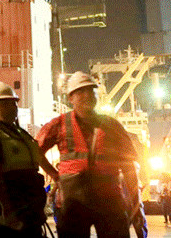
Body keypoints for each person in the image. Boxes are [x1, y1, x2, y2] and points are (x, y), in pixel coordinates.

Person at [36, 71, 139, 238]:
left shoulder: (112, 126)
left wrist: (135, 201)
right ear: (70, 98)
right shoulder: (59, 124)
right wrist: (55, 176)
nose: (87, 95)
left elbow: (129, 164)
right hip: (73, 204)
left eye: (91, 91)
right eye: (80, 92)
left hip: (109, 201)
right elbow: (35, 151)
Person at [0, 82, 58, 238]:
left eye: (14, 103)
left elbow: (38, 155)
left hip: (30, 211)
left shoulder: (20, 134)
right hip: (9, 215)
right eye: (6, 104)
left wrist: (55, 175)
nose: (13, 107)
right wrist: (6, 210)